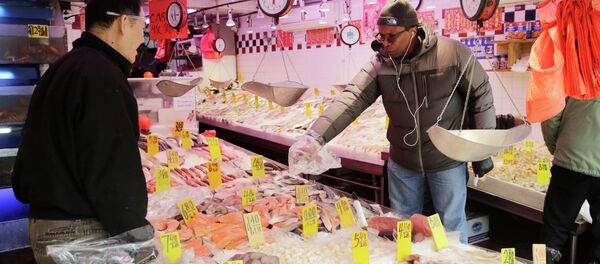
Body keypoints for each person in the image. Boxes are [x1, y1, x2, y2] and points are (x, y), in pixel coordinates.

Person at [289, 0, 496, 243]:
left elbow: (481, 97)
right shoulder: (381, 64)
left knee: (450, 227)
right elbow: (352, 98)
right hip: (403, 162)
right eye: (381, 36)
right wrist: (315, 137)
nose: (385, 43)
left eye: (391, 37)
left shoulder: (453, 54)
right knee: (401, 227)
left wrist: (482, 152)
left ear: (412, 31)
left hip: (446, 160)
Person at [11, 0, 153, 262]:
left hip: (49, 225)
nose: (141, 40)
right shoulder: (103, 77)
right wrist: (142, 238)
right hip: (77, 234)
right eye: (142, 29)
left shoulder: (63, 68)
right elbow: (112, 171)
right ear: (123, 23)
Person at [541, 97, 600, 264]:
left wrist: (558, 148)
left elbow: (551, 113)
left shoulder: (573, 72)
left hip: (571, 160)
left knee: (553, 231)